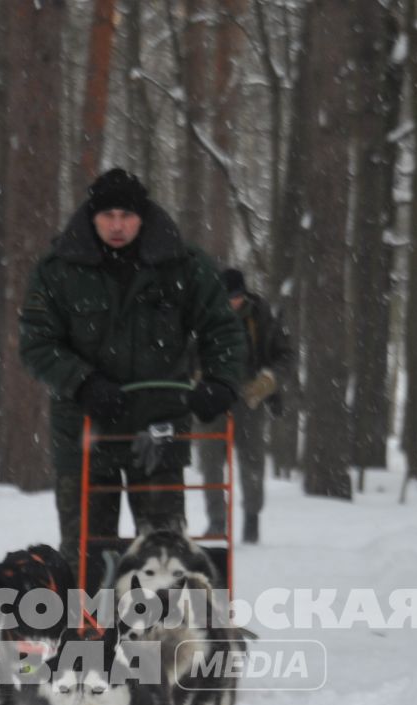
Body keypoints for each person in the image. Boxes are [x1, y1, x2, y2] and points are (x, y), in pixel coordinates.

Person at [18, 168, 246, 561]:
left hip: (159, 431)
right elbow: (36, 343)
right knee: (86, 557)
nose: (118, 225)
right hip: (84, 433)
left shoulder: (184, 266)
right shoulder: (58, 270)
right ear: (92, 217)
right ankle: (87, 622)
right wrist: (84, 383)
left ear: (143, 216)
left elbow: (222, 328)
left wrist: (221, 381)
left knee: (164, 556)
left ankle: (162, 623)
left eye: (127, 215)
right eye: (108, 216)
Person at [198, 267, 294, 545]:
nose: (233, 303)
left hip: (250, 398)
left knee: (252, 462)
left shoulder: (261, 315)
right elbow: (185, 355)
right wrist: (197, 380)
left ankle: (252, 519)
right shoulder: (202, 315)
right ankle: (216, 521)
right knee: (210, 462)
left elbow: (285, 355)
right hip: (212, 398)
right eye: (228, 298)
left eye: (237, 297)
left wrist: (269, 381)